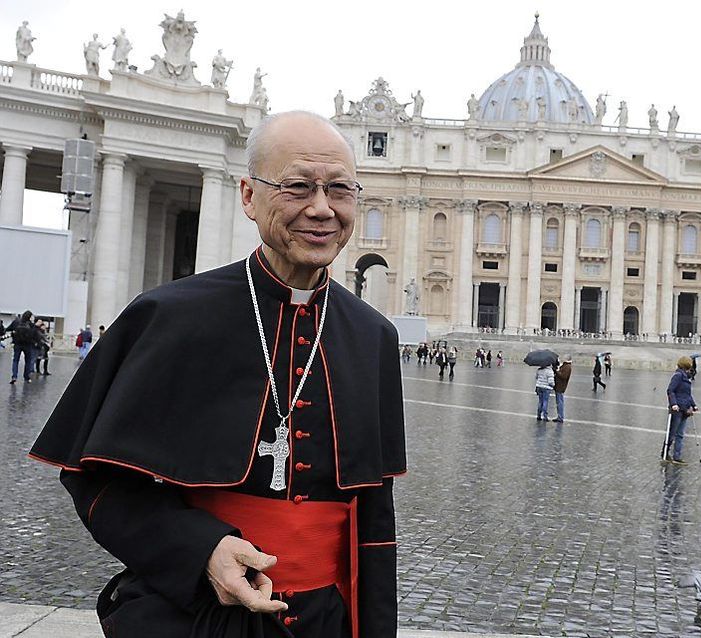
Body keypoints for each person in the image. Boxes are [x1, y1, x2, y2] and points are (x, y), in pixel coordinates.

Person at [30, 111, 406, 638]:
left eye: (340, 190)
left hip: (326, 622)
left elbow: (374, 518)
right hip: (192, 617)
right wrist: (201, 549)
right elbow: (93, 477)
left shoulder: (374, 336)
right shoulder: (169, 315)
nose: (322, 209)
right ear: (249, 196)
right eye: (298, 187)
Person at [664, 356, 697, 464]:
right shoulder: (678, 376)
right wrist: (673, 404)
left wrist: (693, 404)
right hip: (677, 408)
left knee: (680, 434)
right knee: (672, 432)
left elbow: (688, 394)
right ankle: (665, 452)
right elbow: (670, 390)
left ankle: (677, 456)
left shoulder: (687, 377)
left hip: (685, 409)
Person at [9, 310, 36, 384]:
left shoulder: (16, 322)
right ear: (30, 317)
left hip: (17, 344)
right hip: (28, 345)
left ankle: (14, 376)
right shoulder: (31, 324)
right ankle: (26, 377)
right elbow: (34, 335)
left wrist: (12, 334)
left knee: (15, 361)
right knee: (28, 361)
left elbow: (7, 329)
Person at [553, 357, 572, 423]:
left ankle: (560, 417)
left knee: (560, 402)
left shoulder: (567, 367)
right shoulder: (565, 366)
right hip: (559, 386)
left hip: (560, 387)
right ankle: (559, 416)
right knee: (559, 402)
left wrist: (556, 371)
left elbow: (563, 376)